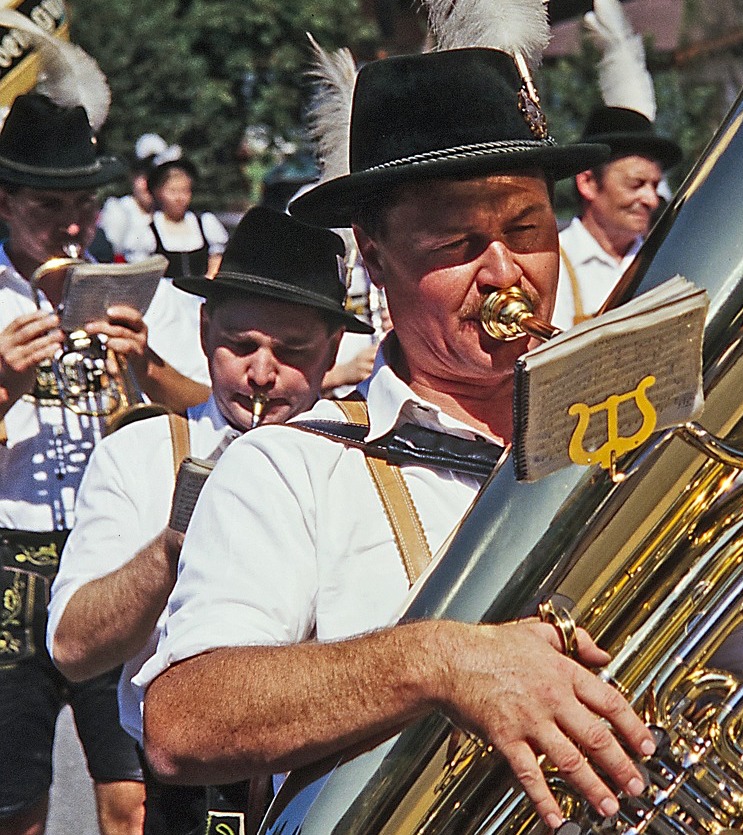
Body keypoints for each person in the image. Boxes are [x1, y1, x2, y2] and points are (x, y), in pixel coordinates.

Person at [135, 44, 662, 833]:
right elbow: (182, 722)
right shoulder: (292, 463)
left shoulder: (629, 438)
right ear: (375, 261)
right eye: (456, 244)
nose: (503, 272)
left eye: (526, 227)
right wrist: (441, 661)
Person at [45, 205, 369, 834]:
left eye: (292, 351)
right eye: (240, 344)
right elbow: (72, 649)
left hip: (325, 789)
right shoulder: (139, 453)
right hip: (182, 796)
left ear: (332, 351)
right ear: (202, 331)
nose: (261, 372)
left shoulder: (361, 455)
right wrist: (171, 549)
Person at [0, 89, 211, 835]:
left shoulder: (129, 284)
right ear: (4, 199)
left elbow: (207, 398)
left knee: (130, 789)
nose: (71, 225)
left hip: (109, 553)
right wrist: (4, 386)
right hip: (11, 559)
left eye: (85, 205)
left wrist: (147, 367)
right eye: (49, 206)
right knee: (15, 799)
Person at [552, 0, 683, 330]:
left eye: (654, 185)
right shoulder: (555, 264)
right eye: (636, 184)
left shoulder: (665, 262)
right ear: (587, 183)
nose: (652, 200)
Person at [119, 159, 228, 280]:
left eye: (185, 191)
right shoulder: (148, 230)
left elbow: (216, 259)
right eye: (172, 191)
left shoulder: (205, 223)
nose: (179, 198)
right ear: (158, 192)